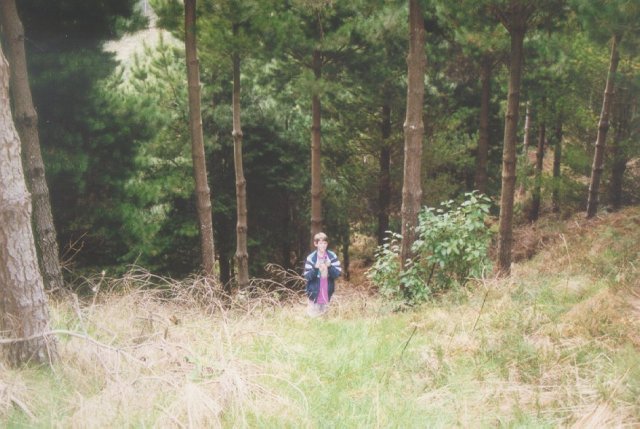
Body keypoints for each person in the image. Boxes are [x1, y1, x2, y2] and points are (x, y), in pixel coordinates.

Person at [303, 232, 341, 316]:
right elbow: (307, 276)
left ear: (327, 244)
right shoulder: (311, 258)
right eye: (320, 243)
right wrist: (315, 268)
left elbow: (337, 274)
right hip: (314, 294)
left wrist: (330, 266)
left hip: (327, 293)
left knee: (326, 320)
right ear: (315, 244)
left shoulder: (332, 256)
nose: (323, 245)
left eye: (325, 243)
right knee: (313, 319)